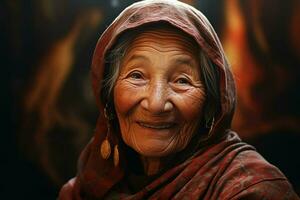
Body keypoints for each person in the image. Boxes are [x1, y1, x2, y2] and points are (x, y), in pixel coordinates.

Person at [59, 0, 299, 199]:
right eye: (137, 76)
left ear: (212, 101)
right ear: (108, 95)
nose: (156, 104)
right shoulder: (88, 184)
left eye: (182, 81)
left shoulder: (251, 190)